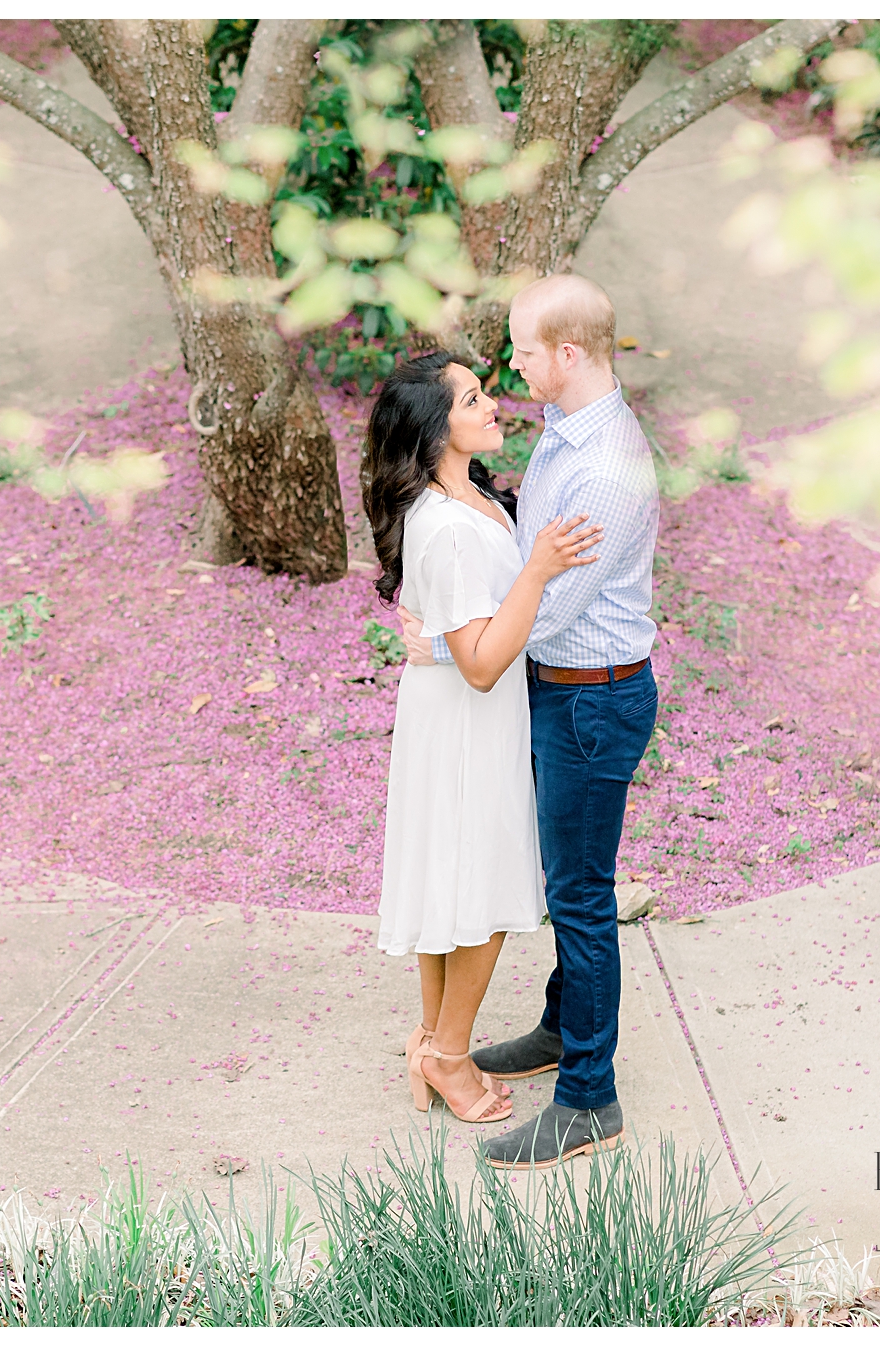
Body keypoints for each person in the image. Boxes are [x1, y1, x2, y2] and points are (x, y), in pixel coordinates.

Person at [399, 274, 660, 1170]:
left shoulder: (605, 468)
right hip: (558, 690)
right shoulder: (563, 435)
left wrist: (449, 642)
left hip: (591, 695)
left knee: (580, 899)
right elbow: (521, 554)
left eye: (524, 349)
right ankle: (560, 1026)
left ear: (571, 355)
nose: (511, 365)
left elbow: (538, 614)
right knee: (566, 887)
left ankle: (590, 1096)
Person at [365, 350, 603, 1126]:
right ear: (437, 431)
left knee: (454, 886)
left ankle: (435, 1039)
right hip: (468, 720)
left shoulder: (472, 502)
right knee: (487, 894)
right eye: (472, 399)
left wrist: (437, 637)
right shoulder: (450, 528)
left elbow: (460, 635)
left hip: (461, 717)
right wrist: (536, 571)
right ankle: (448, 1056)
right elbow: (481, 662)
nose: (492, 404)